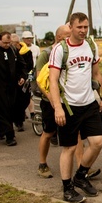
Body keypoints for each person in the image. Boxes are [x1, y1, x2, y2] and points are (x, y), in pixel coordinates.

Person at [48, 12, 102, 203]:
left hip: (89, 102)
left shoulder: (91, 45)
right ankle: (67, 188)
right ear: (71, 27)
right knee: (70, 147)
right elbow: (53, 81)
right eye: (79, 27)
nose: (83, 30)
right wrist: (57, 108)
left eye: (85, 27)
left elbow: (96, 73)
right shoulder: (60, 49)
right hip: (69, 106)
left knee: (97, 142)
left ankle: (80, 176)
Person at [35, 24, 71, 178]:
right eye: (67, 36)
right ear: (59, 37)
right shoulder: (47, 54)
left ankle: (84, 167)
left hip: (69, 101)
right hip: (50, 100)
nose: (71, 38)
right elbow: (39, 79)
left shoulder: (70, 51)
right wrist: (50, 97)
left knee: (75, 135)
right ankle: (42, 164)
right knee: (48, 133)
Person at [11, 33, 33, 133]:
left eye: (14, 43)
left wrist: (24, 77)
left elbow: (29, 66)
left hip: (24, 79)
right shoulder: (10, 52)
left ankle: (20, 116)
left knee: (26, 99)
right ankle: (18, 122)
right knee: (15, 102)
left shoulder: (27, 52)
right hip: (13, 80)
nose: (13, 45)